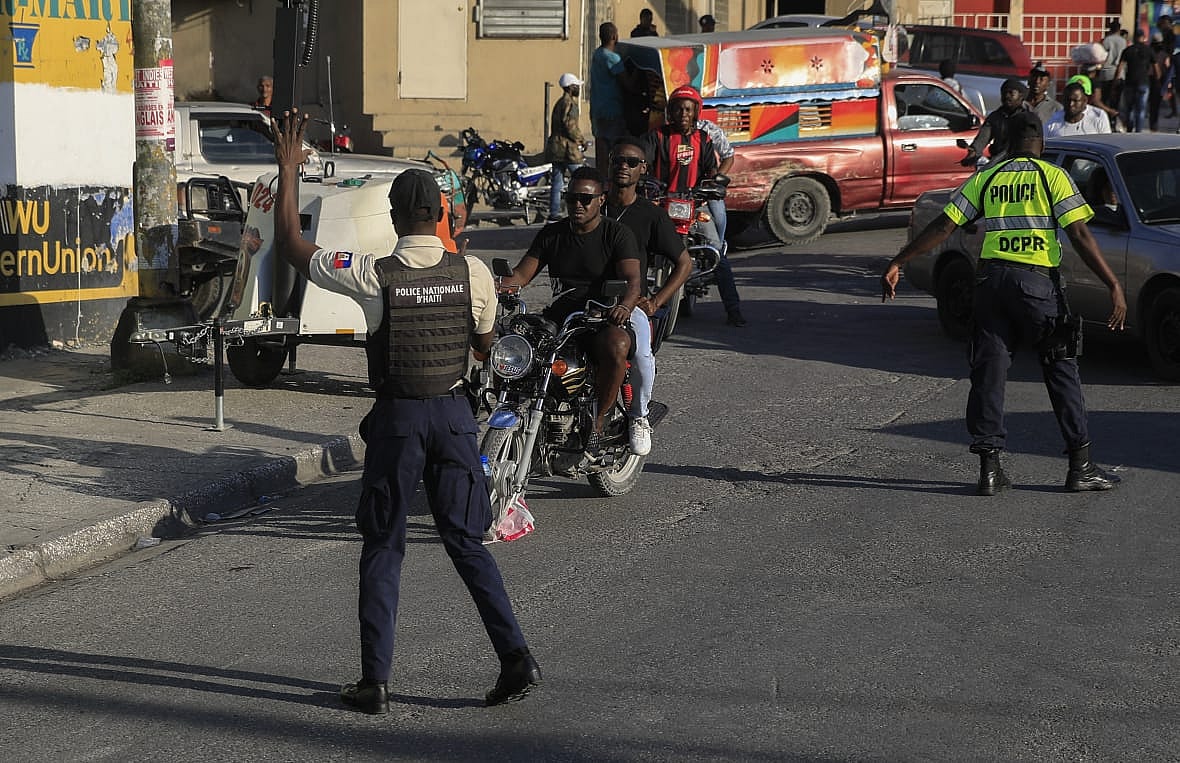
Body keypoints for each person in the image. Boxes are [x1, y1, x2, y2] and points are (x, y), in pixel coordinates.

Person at [270, 110, 540, 714]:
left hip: (398, 421)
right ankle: (515, 657)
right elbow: (484, 346)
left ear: (394, 218)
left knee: (384, 545)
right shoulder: (472, 271)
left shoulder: (373, 273)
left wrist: (290, 170)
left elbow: (292, 244)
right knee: (467, 542)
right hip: (453, 418)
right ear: (440, 215)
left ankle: (375, 681)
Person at [881, 111, 1126, 496]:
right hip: (1036, 286)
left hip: (991, 284)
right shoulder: (1051, 176)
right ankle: (1081, 466)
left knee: (989, 373)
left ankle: (990, 470)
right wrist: (1112, 284)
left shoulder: (988, 176)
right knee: (1060, 369)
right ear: (1041, 144)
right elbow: (1078, 232)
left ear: (1005, 143)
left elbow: (945, 225)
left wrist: (898, 260)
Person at [500, 167, 644, 457]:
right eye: (571, 198)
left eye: (585, 199)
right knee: (511, 338)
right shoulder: (553, 233)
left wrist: (624, 306)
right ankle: (511, 405)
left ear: (601, 200)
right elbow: (520, 276)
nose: (577, 204)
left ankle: (598, 423)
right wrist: (490, 284)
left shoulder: (616, 234)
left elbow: (633, 281)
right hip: (561, 315)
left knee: (617, 344)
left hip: (601, 316)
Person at [604, 137, 694, 454]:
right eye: (618, 160)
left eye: (632, 162)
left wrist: (656, 301)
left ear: (643, 169)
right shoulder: (592, 205)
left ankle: (639, 416)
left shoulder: (651, 215)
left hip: (629, 304)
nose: (623, 167)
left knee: (642, 357)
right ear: (609, 162)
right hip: (588, 300)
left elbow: (684, 263)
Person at [642, 85, 746, 327]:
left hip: (696, 204)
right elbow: (643, 161)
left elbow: (712, 169)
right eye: (678, 109)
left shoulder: (705, 137)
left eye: (688, 109)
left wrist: (714, 183)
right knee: (636, 244)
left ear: (696, 112)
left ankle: (734, 309)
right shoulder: (656, 136)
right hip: (661, 203)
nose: (683, 114)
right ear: (670, 111)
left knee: (715, 249)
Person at [546, 72, 587, 222]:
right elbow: (570, 126)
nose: (578, 89)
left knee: (557, 182)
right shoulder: (570, 104)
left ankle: (554, 212)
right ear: (570, 87)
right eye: (576, 86)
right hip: (568, 149)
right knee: (582, 177)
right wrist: (581, 140)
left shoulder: (559, 103)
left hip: (556, 148)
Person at [963, 78, 1030, 166]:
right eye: (1004, 93)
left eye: (1011, 93)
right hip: (997, 164)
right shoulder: (995, 117)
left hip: (1021, 165)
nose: (1007, 96)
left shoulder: (1029, 118)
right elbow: (982, 138)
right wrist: (973, 152)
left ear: (1021, 96)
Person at [590, 22, 628, 171]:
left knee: (602, 153)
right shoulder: (613, 58)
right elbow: (628, 83)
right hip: (613, 111)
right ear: (614, 36)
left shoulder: (597, 54)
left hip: (598, 110)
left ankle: (601, 182)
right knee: (616, 154)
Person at [1043, 79, 1112, 137]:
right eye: (1068, 100)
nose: (1071, 104)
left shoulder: (1097, 117)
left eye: (1075, 101)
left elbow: (1107, 143)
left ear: (1085, 101)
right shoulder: (1053, 121)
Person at [1116, 27, 1152, 132]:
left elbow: (1120, 66)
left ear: (1135, 38)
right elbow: (1155, 67)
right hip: (1144, 82)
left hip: (1130, 83)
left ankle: (1130, 129)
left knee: (1129, 108)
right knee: (1141, 109)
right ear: (1143, 38)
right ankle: (1139, 131)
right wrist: (1157, 80)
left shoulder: (1128, 50)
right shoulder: (1148, 50)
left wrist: (1116, 80)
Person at [1099, 19, 1127, 110]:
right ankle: (1114, 118)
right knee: (1116, 100)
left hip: (1106, 72)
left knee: (1105, 99)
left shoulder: (1106, 40)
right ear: (1119, 29)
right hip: (1119, 72)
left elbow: (1102, 56)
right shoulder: (1123, 41)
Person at [1149, 31, 1171, 131]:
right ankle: (1153, 125)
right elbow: (1167, 67)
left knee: (1150, 104)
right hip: (1158, 81)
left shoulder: (1148, 51)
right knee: (1155, 105)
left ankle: (1152, 123)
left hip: (1149, 80)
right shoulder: (1164, 54)